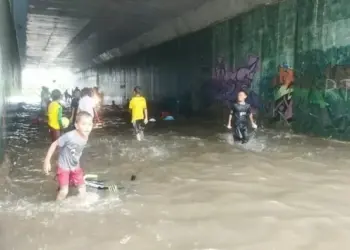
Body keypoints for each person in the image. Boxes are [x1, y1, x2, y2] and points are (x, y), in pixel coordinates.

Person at [43, 111, 93, 201]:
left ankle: (82, 207)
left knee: (82, 188)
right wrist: (47, 161)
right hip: (64, 166)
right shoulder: (69, 136)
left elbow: (76, 151)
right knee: (64, 191)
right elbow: (54, 144)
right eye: (84, 124)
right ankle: (56, 207)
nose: (87, 128)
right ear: (77, 126)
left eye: (90, 124)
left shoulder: (86, 135)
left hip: (75, 166)